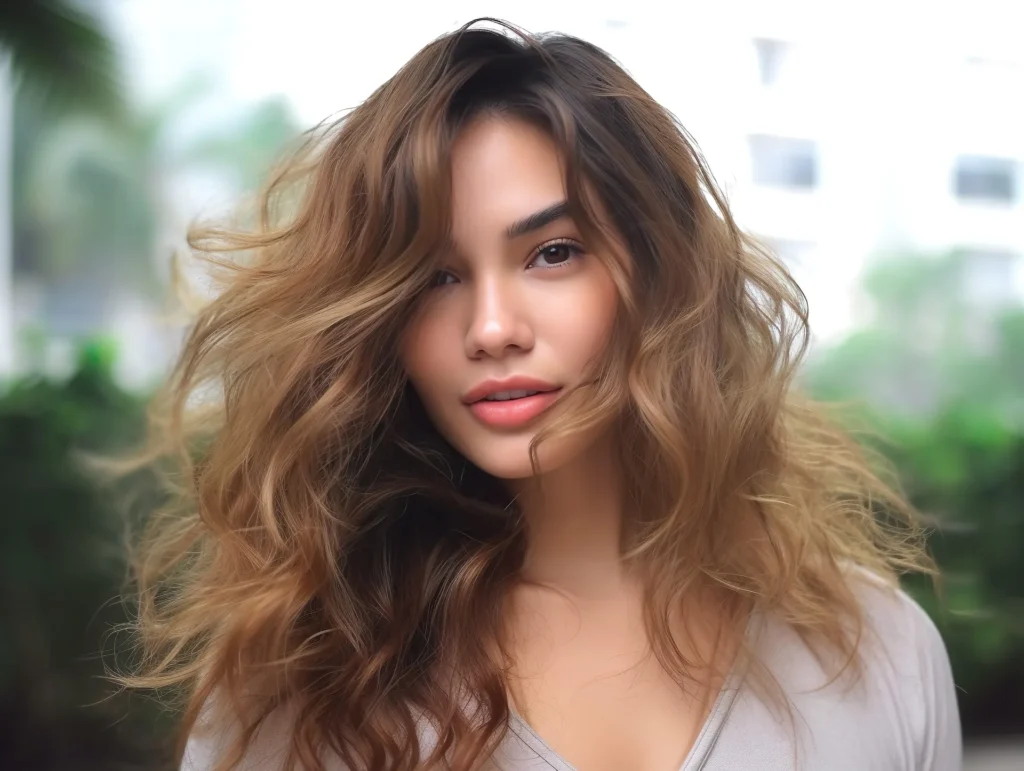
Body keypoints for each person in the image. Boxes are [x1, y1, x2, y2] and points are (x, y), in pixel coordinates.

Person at [121, 18, 962, 771]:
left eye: (552, 253)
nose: (490, 327)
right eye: (435, 277)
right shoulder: (303, 687)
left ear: (661, 276)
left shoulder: (880, 654)